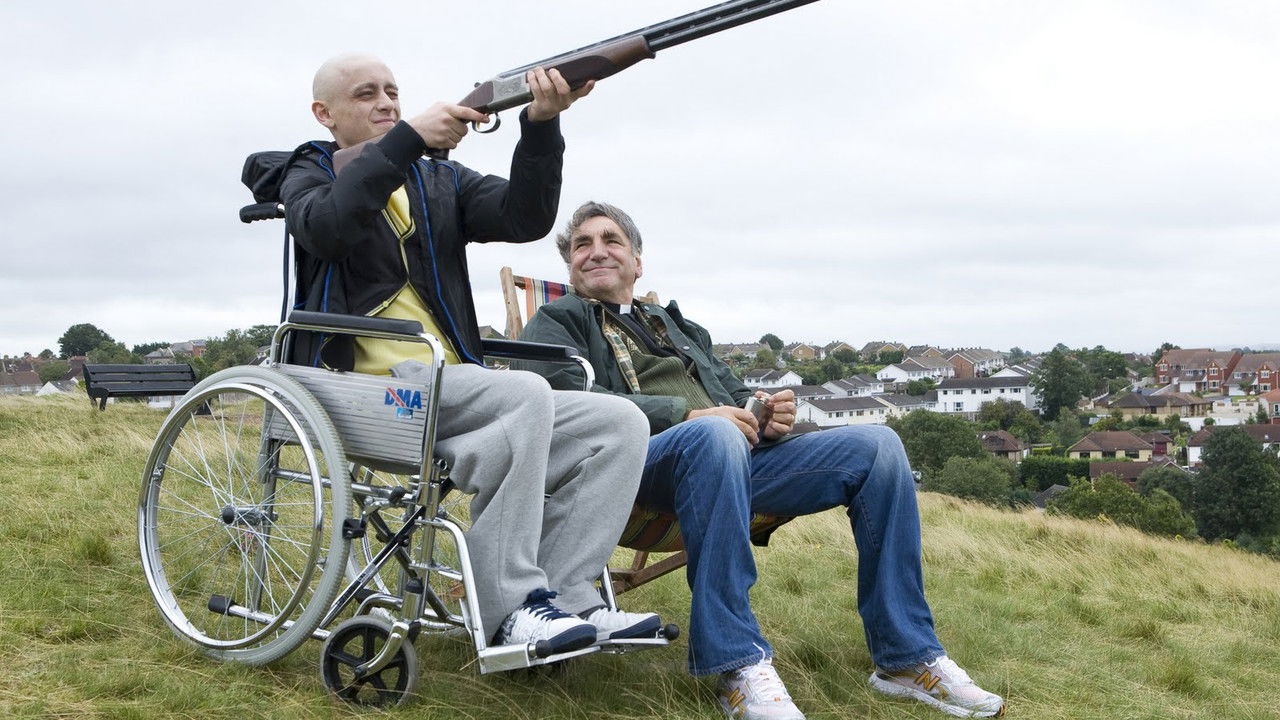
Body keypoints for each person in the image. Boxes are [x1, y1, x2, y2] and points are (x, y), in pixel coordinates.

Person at [519, 201, 1006, 719]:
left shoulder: (676, 327)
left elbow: (732, 394)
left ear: (637, 262)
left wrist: (767, 415)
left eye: (611, 240)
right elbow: (561, 402)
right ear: (570, 265)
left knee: (879, 447)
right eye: (582, 245)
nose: (596, 251)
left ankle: (906, 658)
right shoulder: (557, 322)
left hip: (731, 462)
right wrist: (688, 415)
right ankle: (737, 663)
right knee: (713, 434)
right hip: (635, 470)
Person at [279, 56, 661, 655]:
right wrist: (407, 141)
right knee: (524, 391)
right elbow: (325, 227)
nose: (387, 103)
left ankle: (567, 596)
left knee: (619, 423)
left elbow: (526, 217)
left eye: (393, 92)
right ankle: (509, 608)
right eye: (366, 94)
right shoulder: (305, 171)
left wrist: (540, 124)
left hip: (447, 384)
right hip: (357, 385)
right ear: (324, 113)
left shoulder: (439, 179)